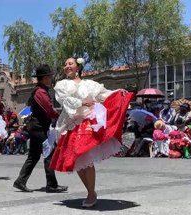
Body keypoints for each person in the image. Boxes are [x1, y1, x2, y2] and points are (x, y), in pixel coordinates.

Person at [49, 57, 132, 207]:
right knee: (77, 160)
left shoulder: (90, 84)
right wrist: (81, 102)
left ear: (78, 67)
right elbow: (64, 99)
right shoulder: (61, 85)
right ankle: (90, 191)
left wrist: (119, 92)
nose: (67, 66)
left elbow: (104, 94)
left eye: (70, 64)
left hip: (88, 122)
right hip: (71, 124)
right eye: (65, 64)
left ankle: (91, 193)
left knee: (86, 156)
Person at [13, 64, 68, 193]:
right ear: (43, 78)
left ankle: (20, 181)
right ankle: (51, 184)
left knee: (34, 155)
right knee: (49, 153)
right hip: (38, 128)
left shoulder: (40, 91)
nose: (51, 78)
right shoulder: (40, 92)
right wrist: (60, 116)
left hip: (36, 127)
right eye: (49, 76)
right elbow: (48, 109)